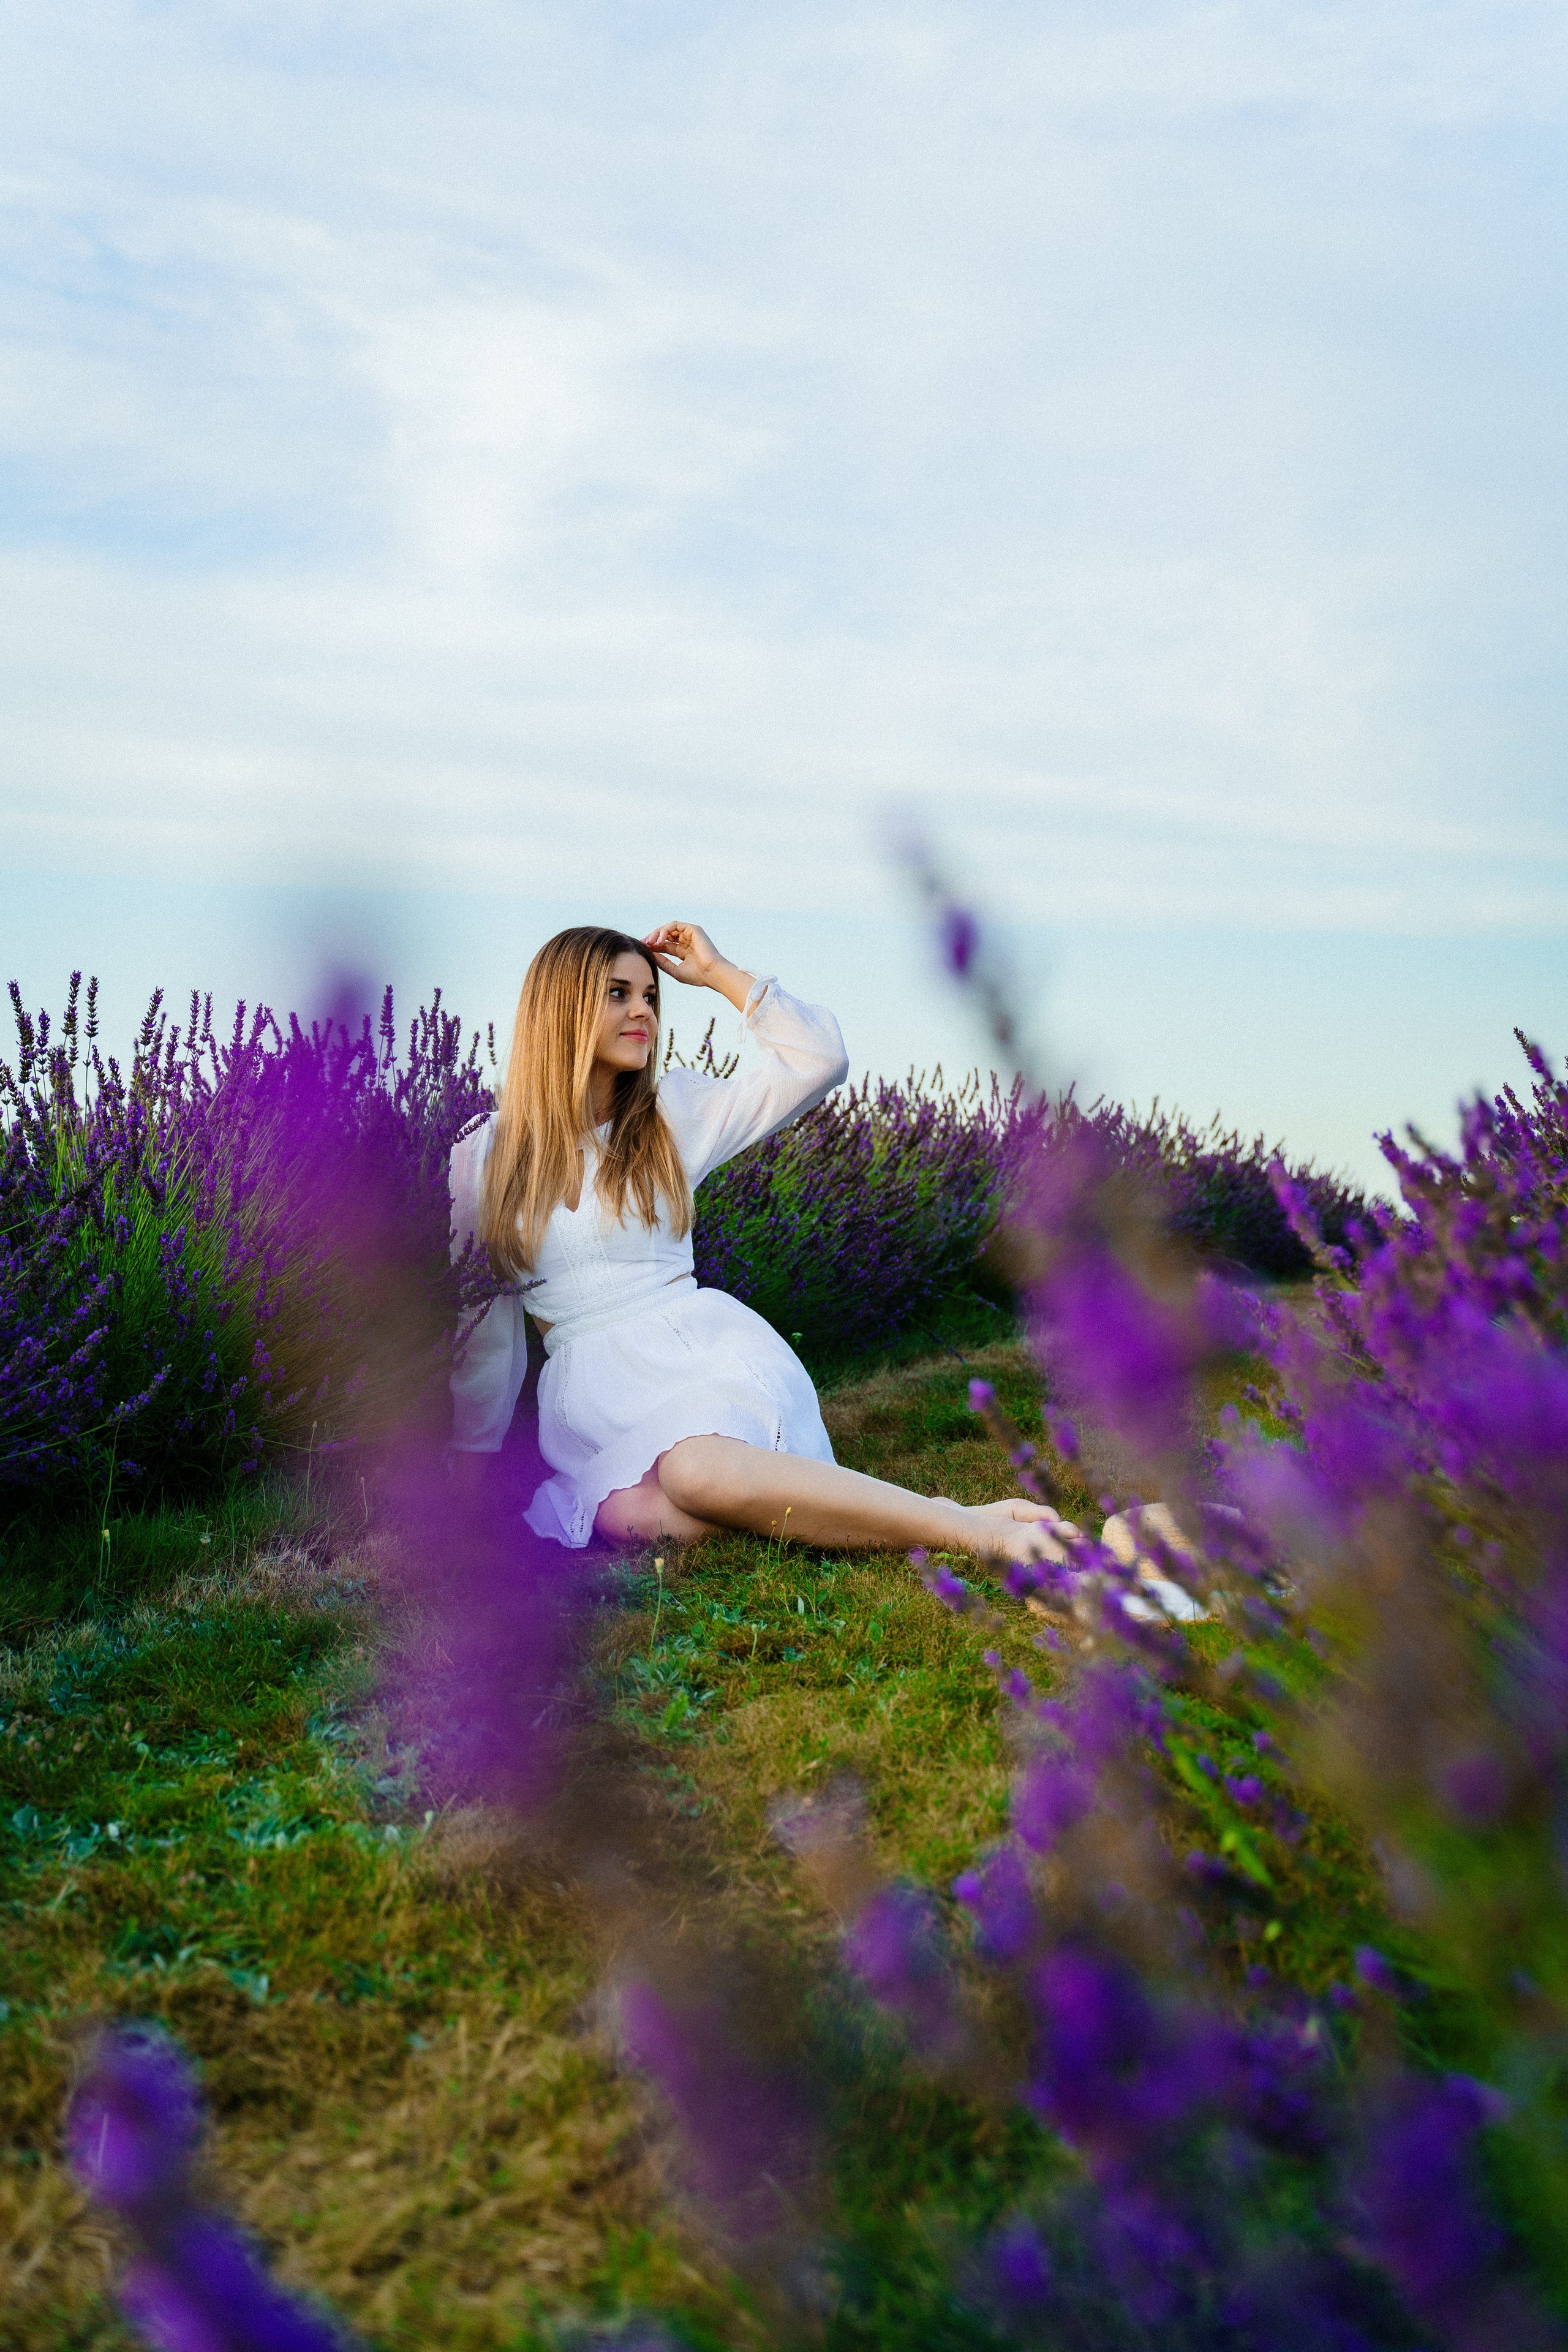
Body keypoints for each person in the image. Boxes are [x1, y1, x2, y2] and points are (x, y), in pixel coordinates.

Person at [448, 921, 1061, 1562]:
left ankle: (973, 1532)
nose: (644, 1011)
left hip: (697, 1357)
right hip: (592, 1398)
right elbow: (484, 1331)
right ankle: (878, 1511)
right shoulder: (483, 1155)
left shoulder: (669, 1116)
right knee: (630, 1516)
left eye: (651, 996)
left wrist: (718, 973)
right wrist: (467, 1476)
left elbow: (818, 1060)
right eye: (618, 994)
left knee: (694, 1473)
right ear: (561, 1008)